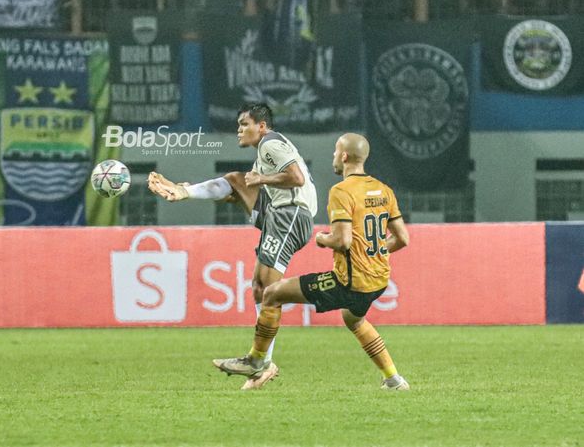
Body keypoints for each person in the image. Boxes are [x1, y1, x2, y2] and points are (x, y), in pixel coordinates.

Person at [212, 132, 411, 390]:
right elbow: (402, 239)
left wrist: (323, 239)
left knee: (272, 294)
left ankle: (256, 361)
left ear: (344, 155)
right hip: (379, 280)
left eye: (335, 152)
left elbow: (342, 241)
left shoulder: (341, 191)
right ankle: (393, 379)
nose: (333, 158)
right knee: (355, 320)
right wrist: (372, 252)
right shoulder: (384, 191)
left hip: (349, 283)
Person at [148, 103, 318, 390]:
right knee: (235, 181)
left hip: (291, 214)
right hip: (279, 211)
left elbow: (297, 178)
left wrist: (262, 179)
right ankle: (261, 362)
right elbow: (237, 190)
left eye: (244, 124)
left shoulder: (270, 143)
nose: (239, 129)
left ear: (261, 126)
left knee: (267, 288)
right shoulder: (265, 154)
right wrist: (188, 191)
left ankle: (260, 361)